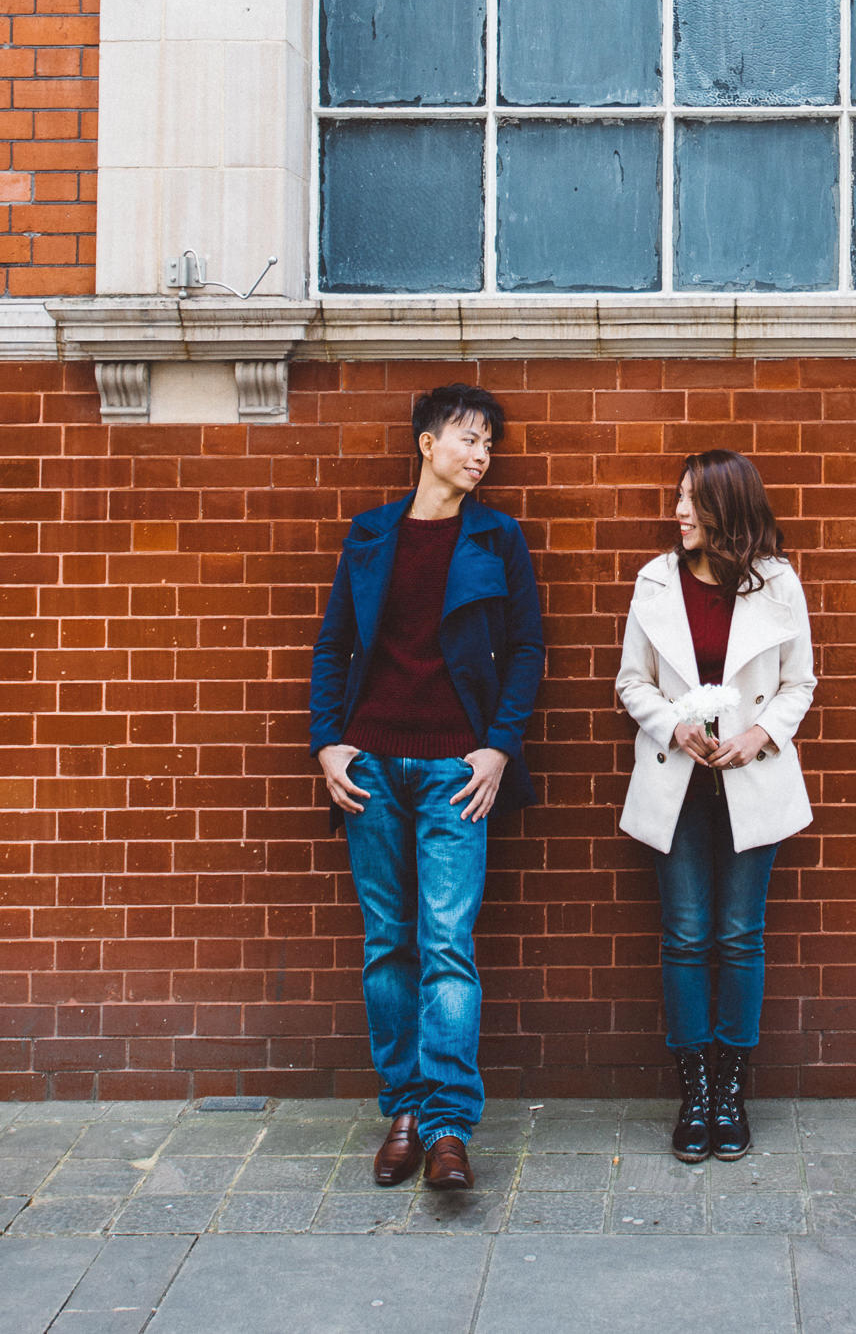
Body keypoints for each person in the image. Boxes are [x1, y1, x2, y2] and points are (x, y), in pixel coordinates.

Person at [309, 381, 543, 1194]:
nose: (480, 456)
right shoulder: (371, 534)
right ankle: (403, 1110)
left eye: (488, 445)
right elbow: (334, 645)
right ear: (427, 443)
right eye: (468, 439)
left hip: (454, 772)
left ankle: (447, 1127)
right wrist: (328, 745)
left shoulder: (497, 539)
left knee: (446, 945)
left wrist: (497, 750)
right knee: (388, 943)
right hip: (371, 768)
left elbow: (525, 653)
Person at [615, 449, 816, 1163]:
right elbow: (630, 681)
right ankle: (692, 1090)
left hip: (750, 782)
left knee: (738, 936)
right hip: (678, 783)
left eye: (689, 501)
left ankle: (731, 1089)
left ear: (725, 507)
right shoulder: (655, 581)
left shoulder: (777, 584)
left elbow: (799, 683)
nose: (676, 512)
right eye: (676, 498)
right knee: (685, 936)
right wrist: (673, 724)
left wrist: (759, 732)